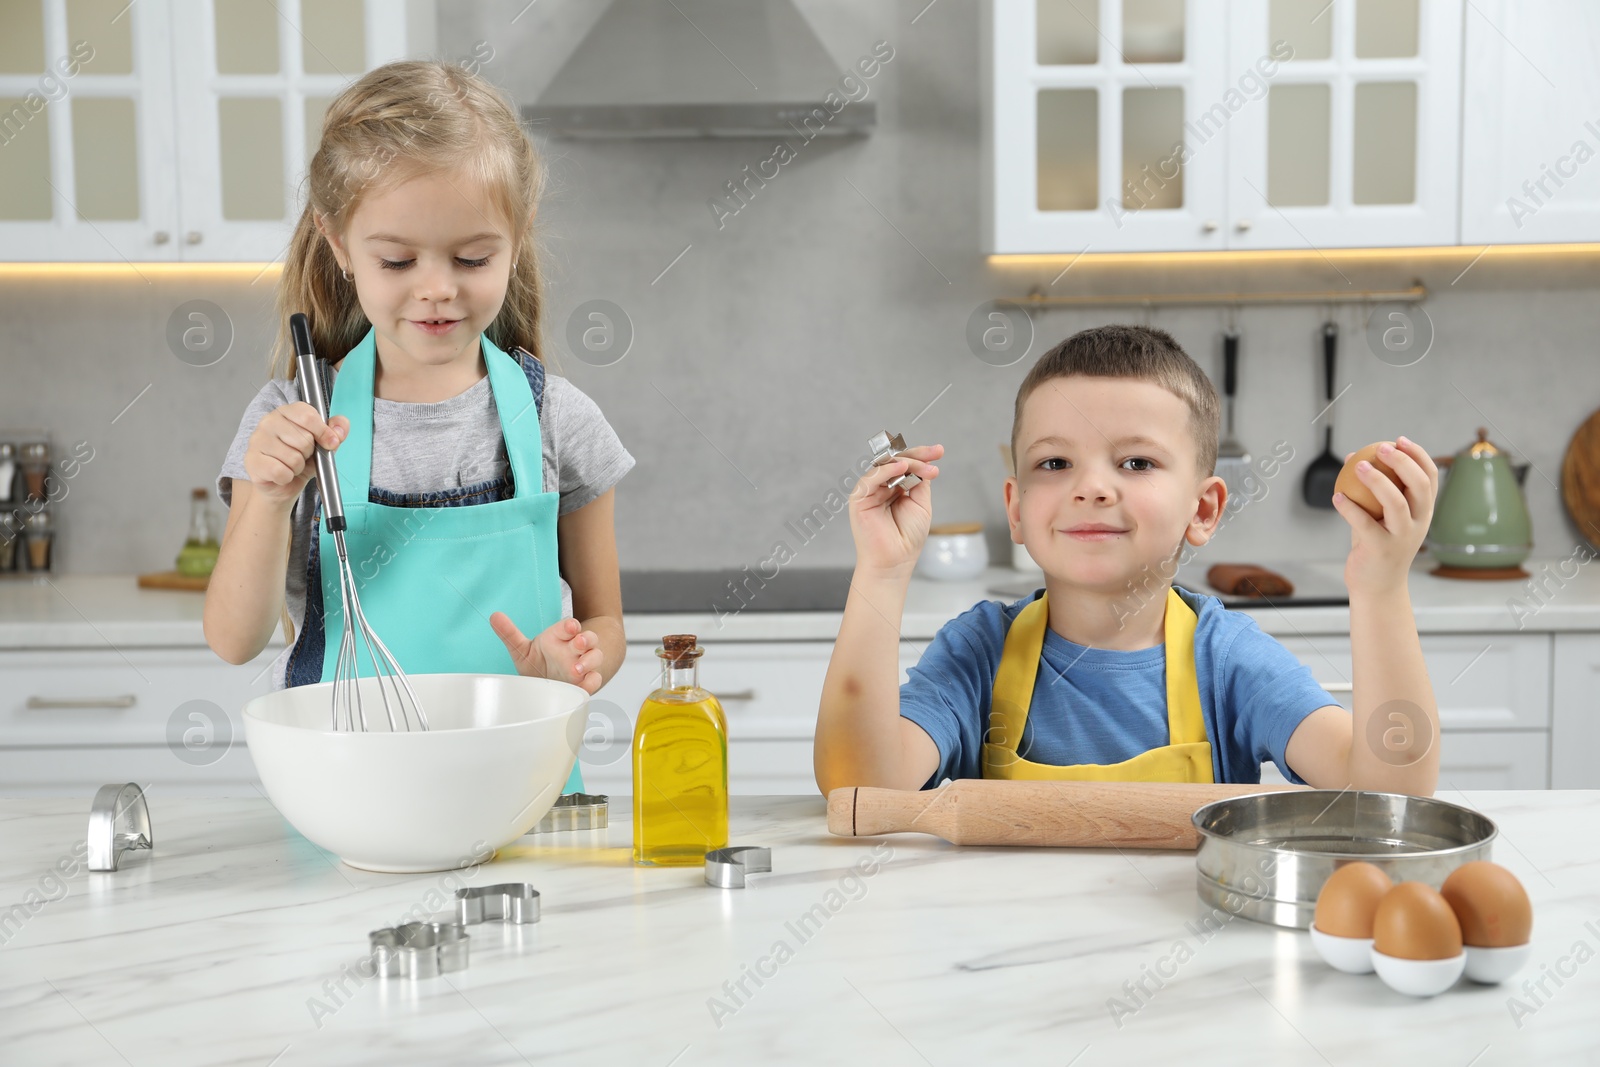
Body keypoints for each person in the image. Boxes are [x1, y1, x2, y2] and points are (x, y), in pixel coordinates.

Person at [205, 61, 633, 794]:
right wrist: (272, 497)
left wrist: (577, 663)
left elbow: (605, 621)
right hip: (347, 795)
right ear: (338, 243)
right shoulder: (293, 418)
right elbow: (234, 639)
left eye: (473, 257)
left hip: (518, 792)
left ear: (516, 239)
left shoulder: (556, 418)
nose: (437, 286)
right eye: (398, 259)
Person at [814, 324, 1441, 795]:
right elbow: (861, 792)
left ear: (1203, 510)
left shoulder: (1225, 660)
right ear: (1017, 509)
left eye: (1136, 462)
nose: (1091, 487)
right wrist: (883, 571)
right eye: (1054, 463)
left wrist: (1381, 588)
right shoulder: (978, 653)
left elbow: (1387, 795)